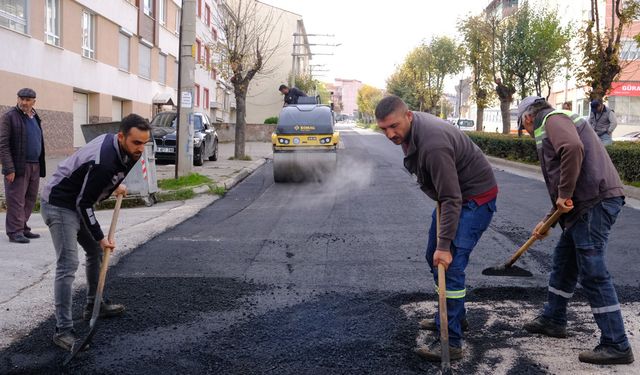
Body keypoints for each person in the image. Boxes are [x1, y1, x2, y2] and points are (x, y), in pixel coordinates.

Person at [375, 95, 498, 362]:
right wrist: (439, 247)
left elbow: (452, 197)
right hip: (454, 197)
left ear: (409, 115)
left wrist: (445, 247)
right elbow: (446, 192)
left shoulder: (433, 144)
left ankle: (452, 342)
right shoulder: (410, 131)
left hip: (473, 200)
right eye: (383, 129)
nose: (389, 134)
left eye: (394, 126)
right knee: (432, 255)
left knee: (448, 264)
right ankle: (452, 317)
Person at [517, 96, 634, 365]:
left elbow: (572, 148)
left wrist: (565, 194)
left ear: (527, 118)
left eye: (523, 127)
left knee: (592, 271)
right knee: (564, 261)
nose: (526, 131)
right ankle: (554, 318)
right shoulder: (557, 119)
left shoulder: (551, 120)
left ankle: (616, 343)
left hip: (594, 201)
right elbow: (563, 182)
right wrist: (548, 219)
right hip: (587, 203)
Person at [40, 113, 151, 351]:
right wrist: (101, 238)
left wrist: (114, 185)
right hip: (59, 203)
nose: (141, 149)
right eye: (137, 143)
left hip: (77, 201)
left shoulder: (128, 150)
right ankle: (63, 330)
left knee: (95, 253)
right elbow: (84, 203)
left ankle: (93, 305)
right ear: (122, 137)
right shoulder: (105, 160)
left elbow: (99, 181)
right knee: (68, 263)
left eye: (145, 143)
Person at [0, 88, 46, 244]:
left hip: (35, 164)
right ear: (17, 99)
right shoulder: (9, 117)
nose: (24, 102)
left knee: (30, 199)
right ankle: (14, 232)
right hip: (18, 166)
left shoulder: (35, 116)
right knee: (16, 200)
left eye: (28, 100)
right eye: (22, 99)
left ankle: (23, 227)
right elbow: (3, 145)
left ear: (34, 101)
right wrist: (9, 168)